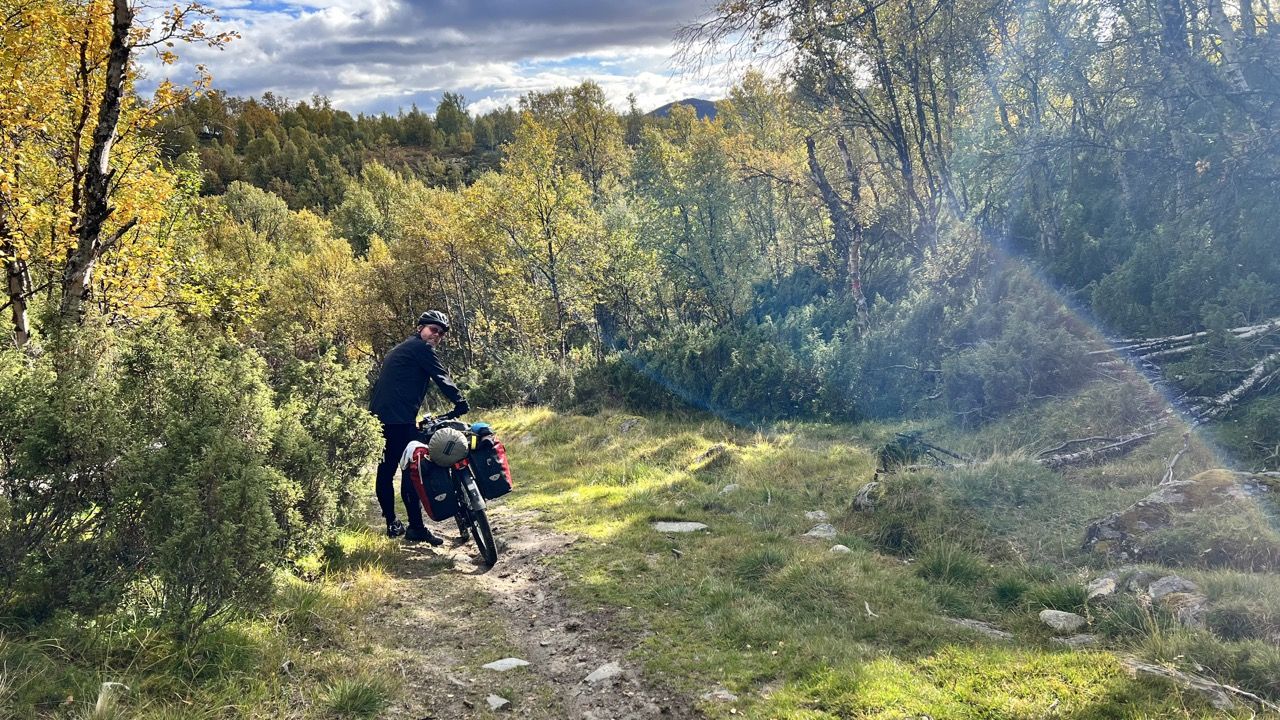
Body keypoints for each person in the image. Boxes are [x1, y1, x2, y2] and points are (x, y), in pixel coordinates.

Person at [369, 310, 469, 544]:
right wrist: (460, 402)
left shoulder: (400, 349)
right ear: (420, 328)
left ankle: (392, 523)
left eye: (441, 334)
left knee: (386, 471)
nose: (437, 336)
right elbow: (441, 377)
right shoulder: (421, 348)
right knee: (413, 471)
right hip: (397, 420)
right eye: (433, 330)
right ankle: (415, 527)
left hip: (382, 419)